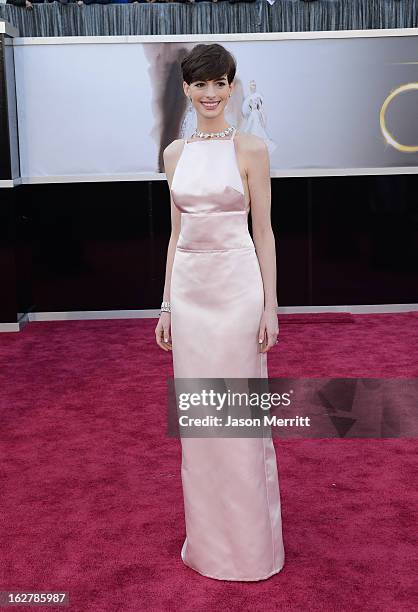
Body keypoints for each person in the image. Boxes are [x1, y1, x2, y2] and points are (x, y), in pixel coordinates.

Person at [155, 43, 285, 581]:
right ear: (187, 89)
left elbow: (265, 232)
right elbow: (175, 234)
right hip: (189, 293)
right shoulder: (174, 154)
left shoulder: (252, 149)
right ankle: (209, 545)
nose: (210, 94)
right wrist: (164, 304)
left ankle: (252, 549)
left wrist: (271, 305)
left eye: (220, 83)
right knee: (200, 422)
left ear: (232, 86)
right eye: (200, 84)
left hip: (236, 289)